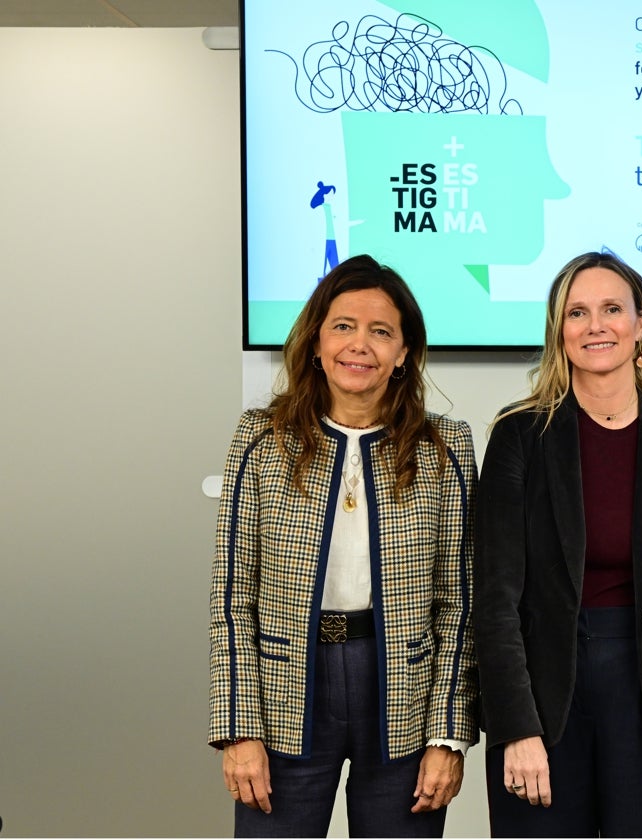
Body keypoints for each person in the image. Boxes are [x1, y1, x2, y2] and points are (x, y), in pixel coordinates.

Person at [473, 251, 642, 837]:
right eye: (577, 312)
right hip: (546, 703)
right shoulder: (520, 435)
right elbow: (494, 601)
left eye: (612, 309)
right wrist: (516, 729)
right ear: (558, 331)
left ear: (640, 324)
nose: (596, 325)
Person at [208, 254, 478, 837]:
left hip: (402, 695)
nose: (361, 345)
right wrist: (238, 727)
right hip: (284, 694)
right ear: (315, 341)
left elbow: (459, 604)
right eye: (343, 326)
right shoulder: (260, 441)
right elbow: (231, 599)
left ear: (404, 353)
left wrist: (447, 735)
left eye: (382, 331)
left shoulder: (446, 449)